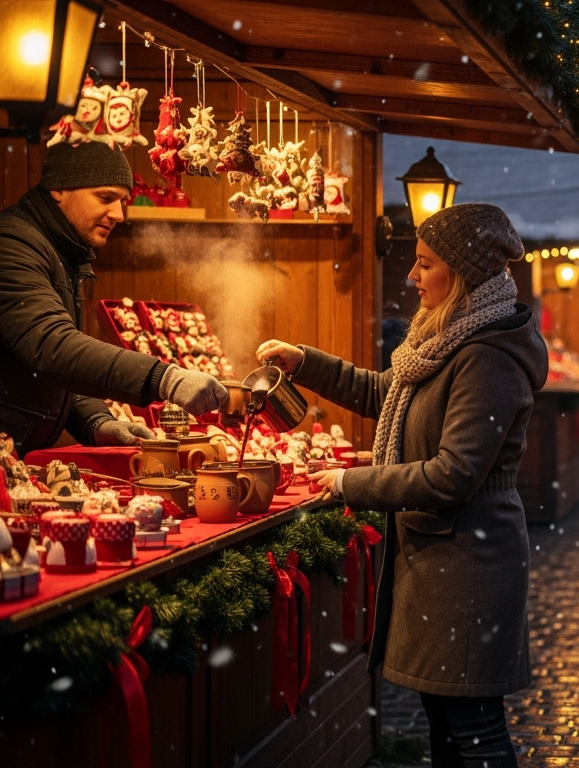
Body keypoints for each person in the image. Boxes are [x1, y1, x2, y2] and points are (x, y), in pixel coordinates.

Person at [256, 203, 547, 767]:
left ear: (460, 273)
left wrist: (348, 482)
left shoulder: (486, 356)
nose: (412, 276)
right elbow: (381, 394)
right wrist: (304, 362)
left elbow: (454, 473)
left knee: (475, 728)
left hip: (470, 565)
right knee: (447, 723)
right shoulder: (446, 339)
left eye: (425, 263)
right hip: (443, 559)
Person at [0, 142, 227, 452]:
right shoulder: (11, 243)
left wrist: (96, 422)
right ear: (58, 189)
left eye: (123, 200)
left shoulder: (64, 249)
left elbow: (56, 373)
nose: (119, 214)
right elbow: (52, 347)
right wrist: (165, 379)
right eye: (105, 198)